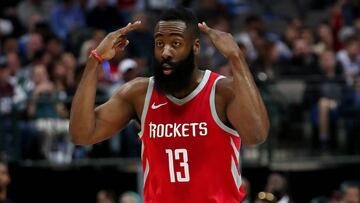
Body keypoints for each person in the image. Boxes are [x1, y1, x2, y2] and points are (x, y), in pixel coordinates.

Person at [69, 7, 269, 203]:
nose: (165, 52)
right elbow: (81, 134)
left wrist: (236, 57)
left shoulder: (221, 91)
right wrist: (95, 60)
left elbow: (256, 134)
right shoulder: (139, 94)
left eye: (175, 43)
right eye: (159, 43)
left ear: (195, 46)